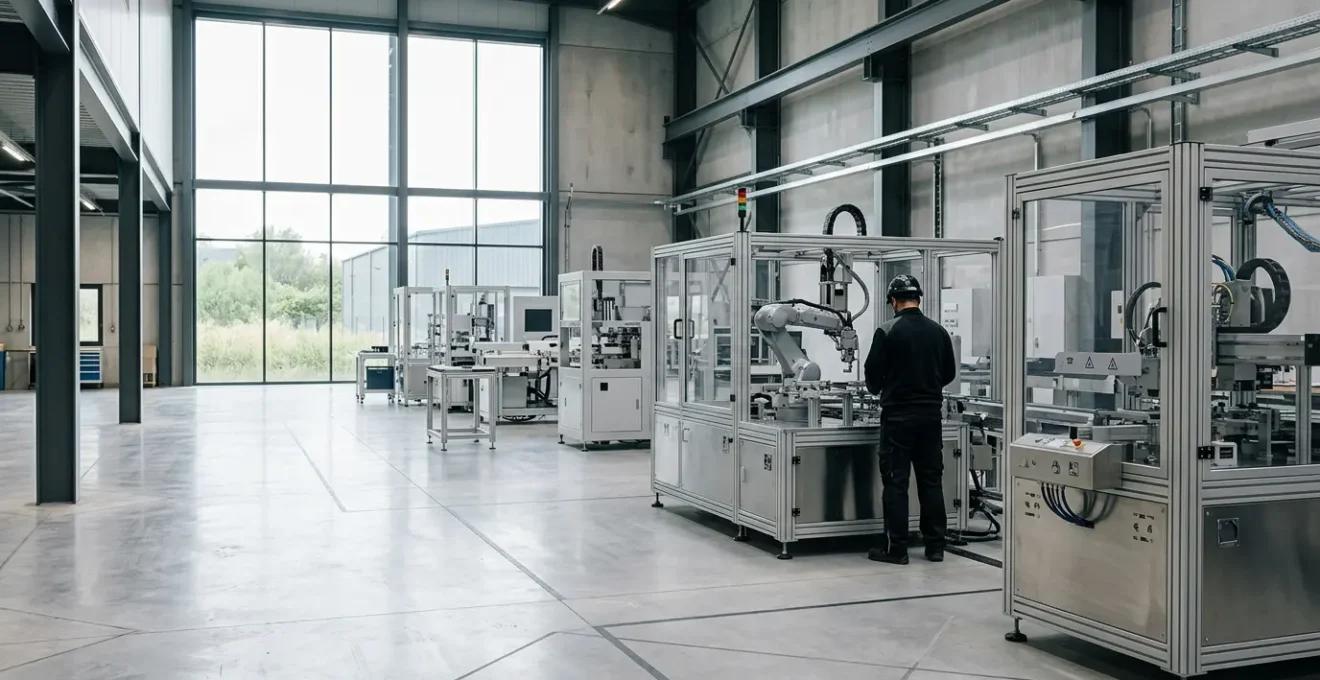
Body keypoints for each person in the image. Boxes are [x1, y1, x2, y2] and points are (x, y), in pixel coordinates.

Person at [863, 274, 958, 565]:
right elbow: (950, 373)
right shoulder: (938, 331)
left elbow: (872, 378)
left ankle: (898, 549)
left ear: (893, 301)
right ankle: (935, 547)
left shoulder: (888, 331)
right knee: (931, 481)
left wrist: (885, 388)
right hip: (931, 418)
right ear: (918, 298)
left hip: (898, 420)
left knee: (896, 482)